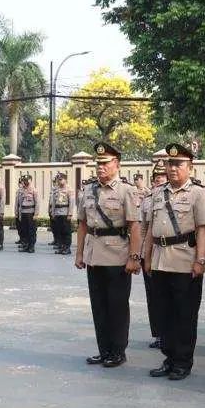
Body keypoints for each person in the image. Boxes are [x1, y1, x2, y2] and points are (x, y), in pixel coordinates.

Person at [144, 143, 205, 380]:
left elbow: (203, 229)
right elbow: (151, 228)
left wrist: (200, 259)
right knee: (164, 313)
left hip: (185, 260)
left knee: (184, 314)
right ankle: (169, 358)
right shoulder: (158, 193)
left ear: (190, 167)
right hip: (160, 260)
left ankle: (182, 361)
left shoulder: (198, 193)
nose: (173, 168)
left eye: (178, 164)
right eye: (170, 164)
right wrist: (146, 257)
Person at [76, 142, 142, 368]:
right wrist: (79, 254)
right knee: (99, 306)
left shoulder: (126, 190)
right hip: (94, 255)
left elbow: (134, 226)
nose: (100, 167)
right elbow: (82, 224)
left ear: (117, 164)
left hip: (117, 255)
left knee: (117, 306)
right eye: (98, 163)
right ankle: (104, 350)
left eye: (105, 163)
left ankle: (118, 351)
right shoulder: (88, 190)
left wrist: (134, 257)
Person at [141, 165, 168, 349]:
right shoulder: (147, 200)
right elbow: (143, 228)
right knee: (153, 295)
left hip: (171, 252)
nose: (159, 179)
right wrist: (141, 254)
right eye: (156, 177)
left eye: (162, 176)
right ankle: (158, 333)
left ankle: (171, 334)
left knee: (169, 296)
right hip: (150, 252)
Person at [49, 172, 74, 255]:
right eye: (58, 180)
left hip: (65, 212)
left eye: (60, 179)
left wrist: (70, 214)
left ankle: (67, 248)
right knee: (59, 231)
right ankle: (61, 247)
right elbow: (53, 202)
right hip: (57, 213)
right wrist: (53, 213)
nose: (59, 181)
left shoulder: (69, 189)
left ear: (65, 180)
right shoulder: (56, 190)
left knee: (66, 231)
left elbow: (71, 203)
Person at [16, 175, 39, 253]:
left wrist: (36, 214)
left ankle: (31, 247)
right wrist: (18, 213)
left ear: (30, 180)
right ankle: (26, 246)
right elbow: (19, 203)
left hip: (31, 213)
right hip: (23, 212)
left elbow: (37, 203)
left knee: (31, 231)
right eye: (24, 180)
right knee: (24, 230)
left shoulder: (34, 190)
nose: (25, 181)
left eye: (27, 180)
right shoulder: (21, 191)